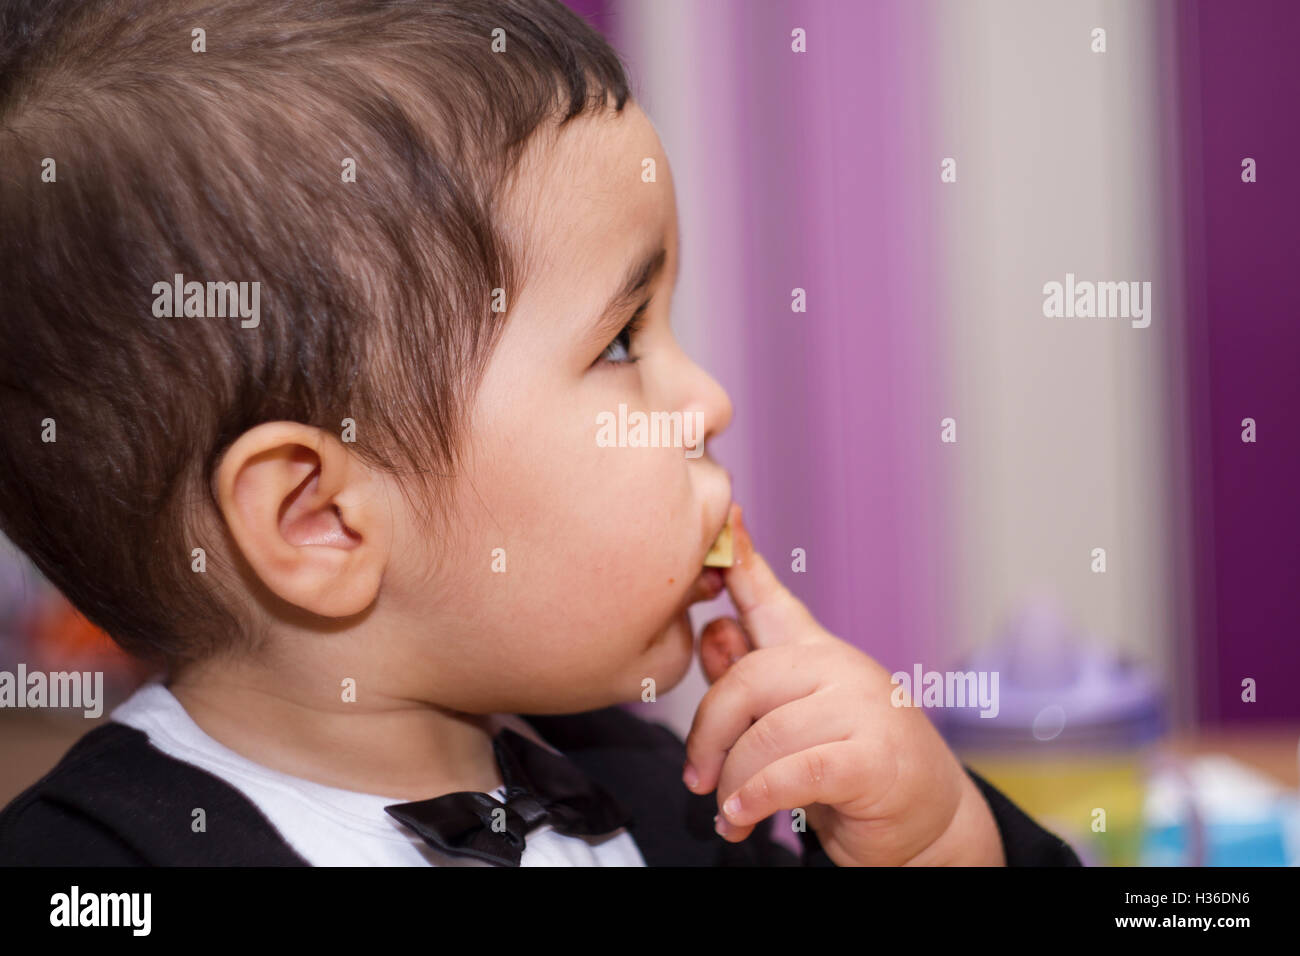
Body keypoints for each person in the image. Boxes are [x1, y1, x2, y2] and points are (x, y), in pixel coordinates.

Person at [0, 0, 1080, 867]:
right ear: (320, 517)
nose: (707, 399)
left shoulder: (664, 784)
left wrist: (932, 838)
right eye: (620, 343)